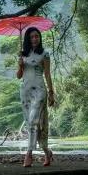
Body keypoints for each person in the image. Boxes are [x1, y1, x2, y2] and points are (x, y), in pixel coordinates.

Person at [16, 26, 55, 167]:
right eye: (32, 37)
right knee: (33, 124)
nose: (34, 39)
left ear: (40, 38)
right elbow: (19, 76)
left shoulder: (45, 54)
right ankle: (47, 152)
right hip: (25, 92)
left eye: (37, 36)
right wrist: (20, 66)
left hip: (39, 91)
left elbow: (47, 74)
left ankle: (28, 154)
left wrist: (51, 93)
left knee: (33, 121)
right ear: (28, 38)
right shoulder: (22, 54)